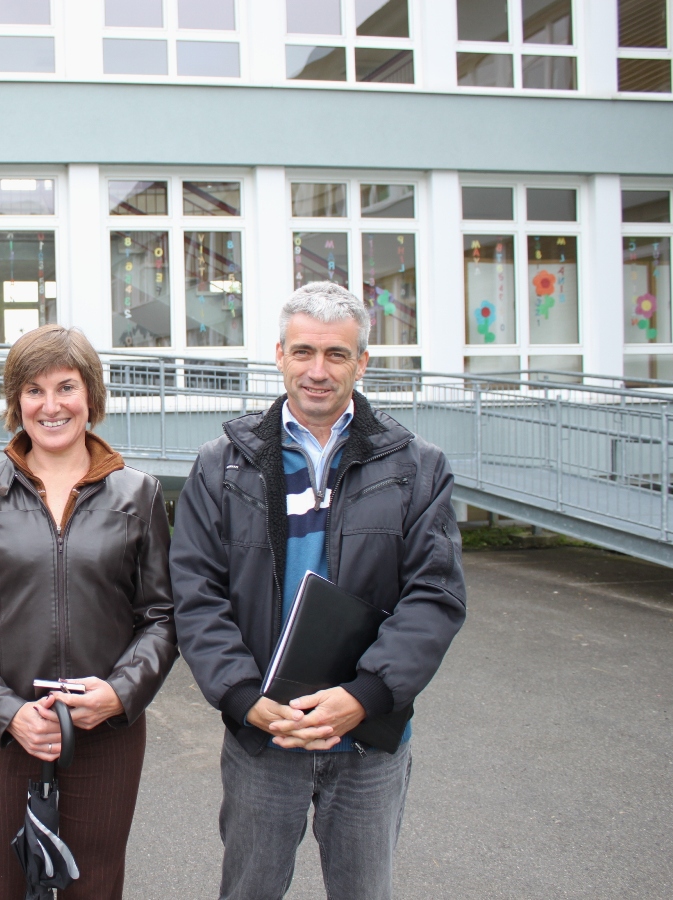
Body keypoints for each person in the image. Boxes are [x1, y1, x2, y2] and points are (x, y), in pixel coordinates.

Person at [169, 282, 467, 900]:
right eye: (303, 351)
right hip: (264, 731)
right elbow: (195, 591)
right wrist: (243, 696)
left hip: (367, 739)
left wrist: (366, 695)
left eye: (336, 354)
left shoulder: (418, 467)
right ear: (280, 354)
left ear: (363, 362)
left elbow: (434, 596)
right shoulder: (222, 464)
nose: (318, 371)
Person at [0, 324, 176, 900]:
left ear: (91, 395)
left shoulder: (138, 494)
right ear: (16, 402)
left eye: (66, 387)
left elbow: (162, 615)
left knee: (95, 886)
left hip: (105, 733)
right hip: (3, 734)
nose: (51, 405)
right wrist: (8, 712)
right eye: (33, 390)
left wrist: (119, 694)